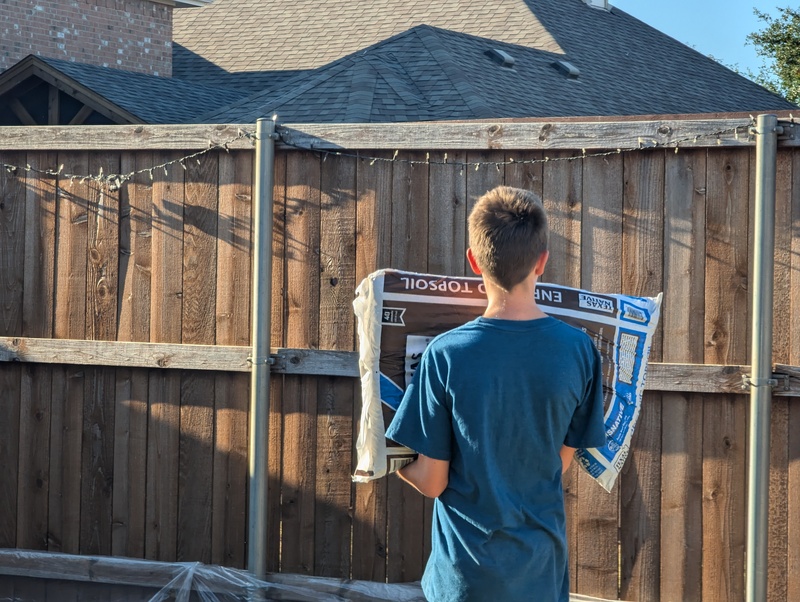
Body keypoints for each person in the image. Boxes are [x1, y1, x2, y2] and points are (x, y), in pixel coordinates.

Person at [384, 185, 607, 602]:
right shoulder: (579, 351)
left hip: (464, 581)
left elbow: (432, 483)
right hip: (541, 577)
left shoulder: (445, 356)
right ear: (542, 261)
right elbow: (557, 464)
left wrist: (390, 461)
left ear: (473, 262)